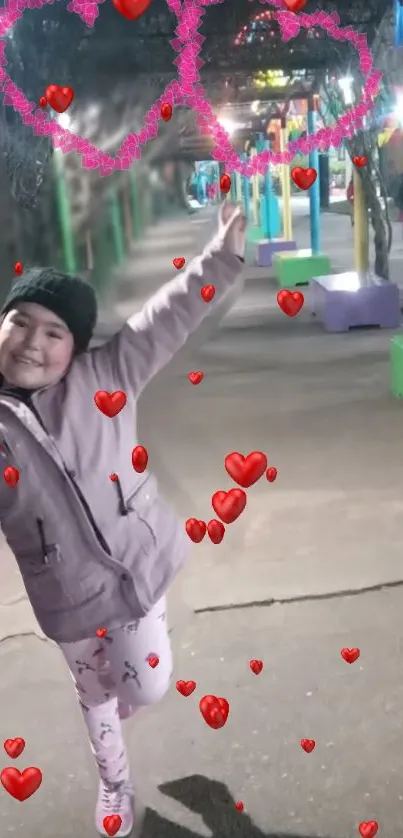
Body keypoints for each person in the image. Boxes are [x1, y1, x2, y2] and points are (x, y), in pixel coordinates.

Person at [0, 202, 246, 836]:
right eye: (19, 322)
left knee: (149, 686)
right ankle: (116, 784)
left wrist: (218, 258)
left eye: (54, 333)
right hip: (67, 594)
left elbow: (166, 318)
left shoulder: (107, 374)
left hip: (140, 567)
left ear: (76, 348)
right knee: (96, 699)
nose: (32, 341)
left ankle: (131, 684)